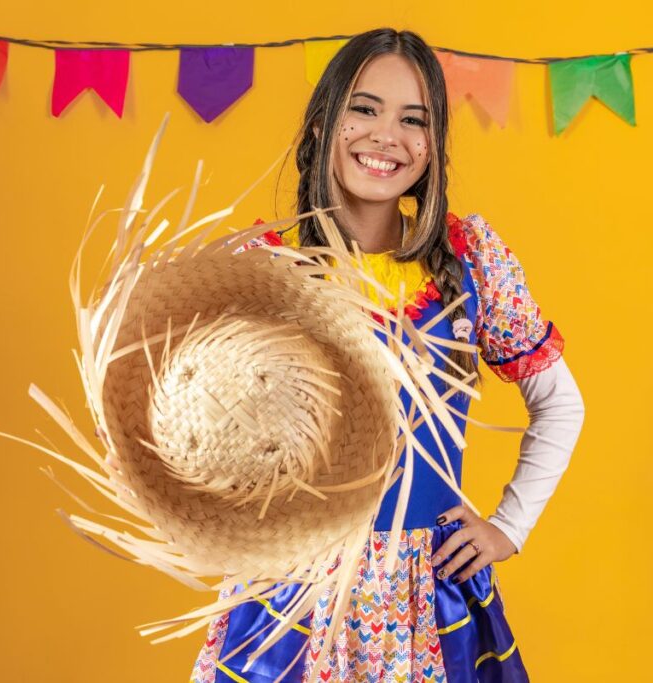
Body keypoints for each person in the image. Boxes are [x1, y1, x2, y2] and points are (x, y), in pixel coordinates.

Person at [190, 27, 585, 682]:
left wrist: (508, 526)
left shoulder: (472, 262)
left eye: (413, 119)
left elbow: (561, 402)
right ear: (321, 127)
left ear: (432, 149)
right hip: (293, 607)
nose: (385, 136)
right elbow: (193, 424)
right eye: (364, 109)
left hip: (427, 603)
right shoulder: (260, 273)